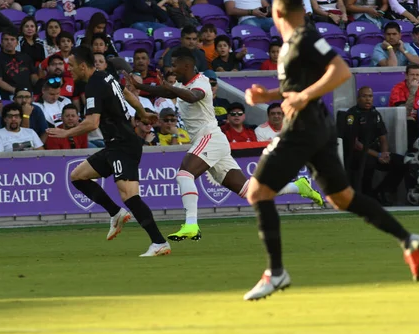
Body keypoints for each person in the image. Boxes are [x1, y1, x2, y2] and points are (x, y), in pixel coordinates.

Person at [242, 0, 419, 301]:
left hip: (303, 129)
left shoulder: (305, 36)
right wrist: (270, 95)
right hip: (318, 129)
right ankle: (408, 239)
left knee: (258, 191)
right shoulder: (290, 44)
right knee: (343, 199)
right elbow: (299, 87)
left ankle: (276, 272)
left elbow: (340, 70)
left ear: (279, 11)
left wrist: (303, 96)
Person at [131, 47, 324, 241]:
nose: (171, 69)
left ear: (187, 65)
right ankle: (298, 187)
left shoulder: (202, 82)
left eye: (174, 65)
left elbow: (193, 96)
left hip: (210, 137)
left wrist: (169, 87)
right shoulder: (183, 84)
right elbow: (163, 89)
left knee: (184, 174)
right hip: (211, 142)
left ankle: (191, 225)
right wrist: (139, 86)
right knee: (249, 192)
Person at [46, 46, 171, 257]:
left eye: (72, 66)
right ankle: (115, 213)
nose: (70, 71)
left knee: (130, 196)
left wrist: (66, 133)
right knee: (77, 177)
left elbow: (92, 123)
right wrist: (142, 112)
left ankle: (159, 242)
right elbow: (127, 94)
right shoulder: (107, 76)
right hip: (116, 145)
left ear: (83, 66)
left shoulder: (94, 85)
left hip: (123, 145)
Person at [341, 86, 407, 205]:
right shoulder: (351, 115)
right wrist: (378, 155)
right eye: (364, 96)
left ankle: (384, 191)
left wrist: (385, 154)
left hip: (375, 151)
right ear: (358, 98)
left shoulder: (375, 113)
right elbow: (356, 144)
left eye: (370, 96)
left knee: (401, 162)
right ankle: (368, 195)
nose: (368, 99)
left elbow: (383, 138)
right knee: (368, 163)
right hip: (358, 154)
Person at [388, 64, 419, 148]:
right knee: (410, 121)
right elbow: (404, 113)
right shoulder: (397, 88)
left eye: (417, 75)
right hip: (402, 122)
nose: (415, 77)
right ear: (406, 76)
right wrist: (413, 92)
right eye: (412, 75)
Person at [0, 31, 39, 100]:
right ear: (2, 43)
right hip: (10, 95)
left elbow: (33, 75)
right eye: (6, 39)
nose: (9, 42)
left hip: (29, 93)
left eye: (12, 39)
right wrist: (16, 91)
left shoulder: (25, 56)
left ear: (17, 43)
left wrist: (40, 86)